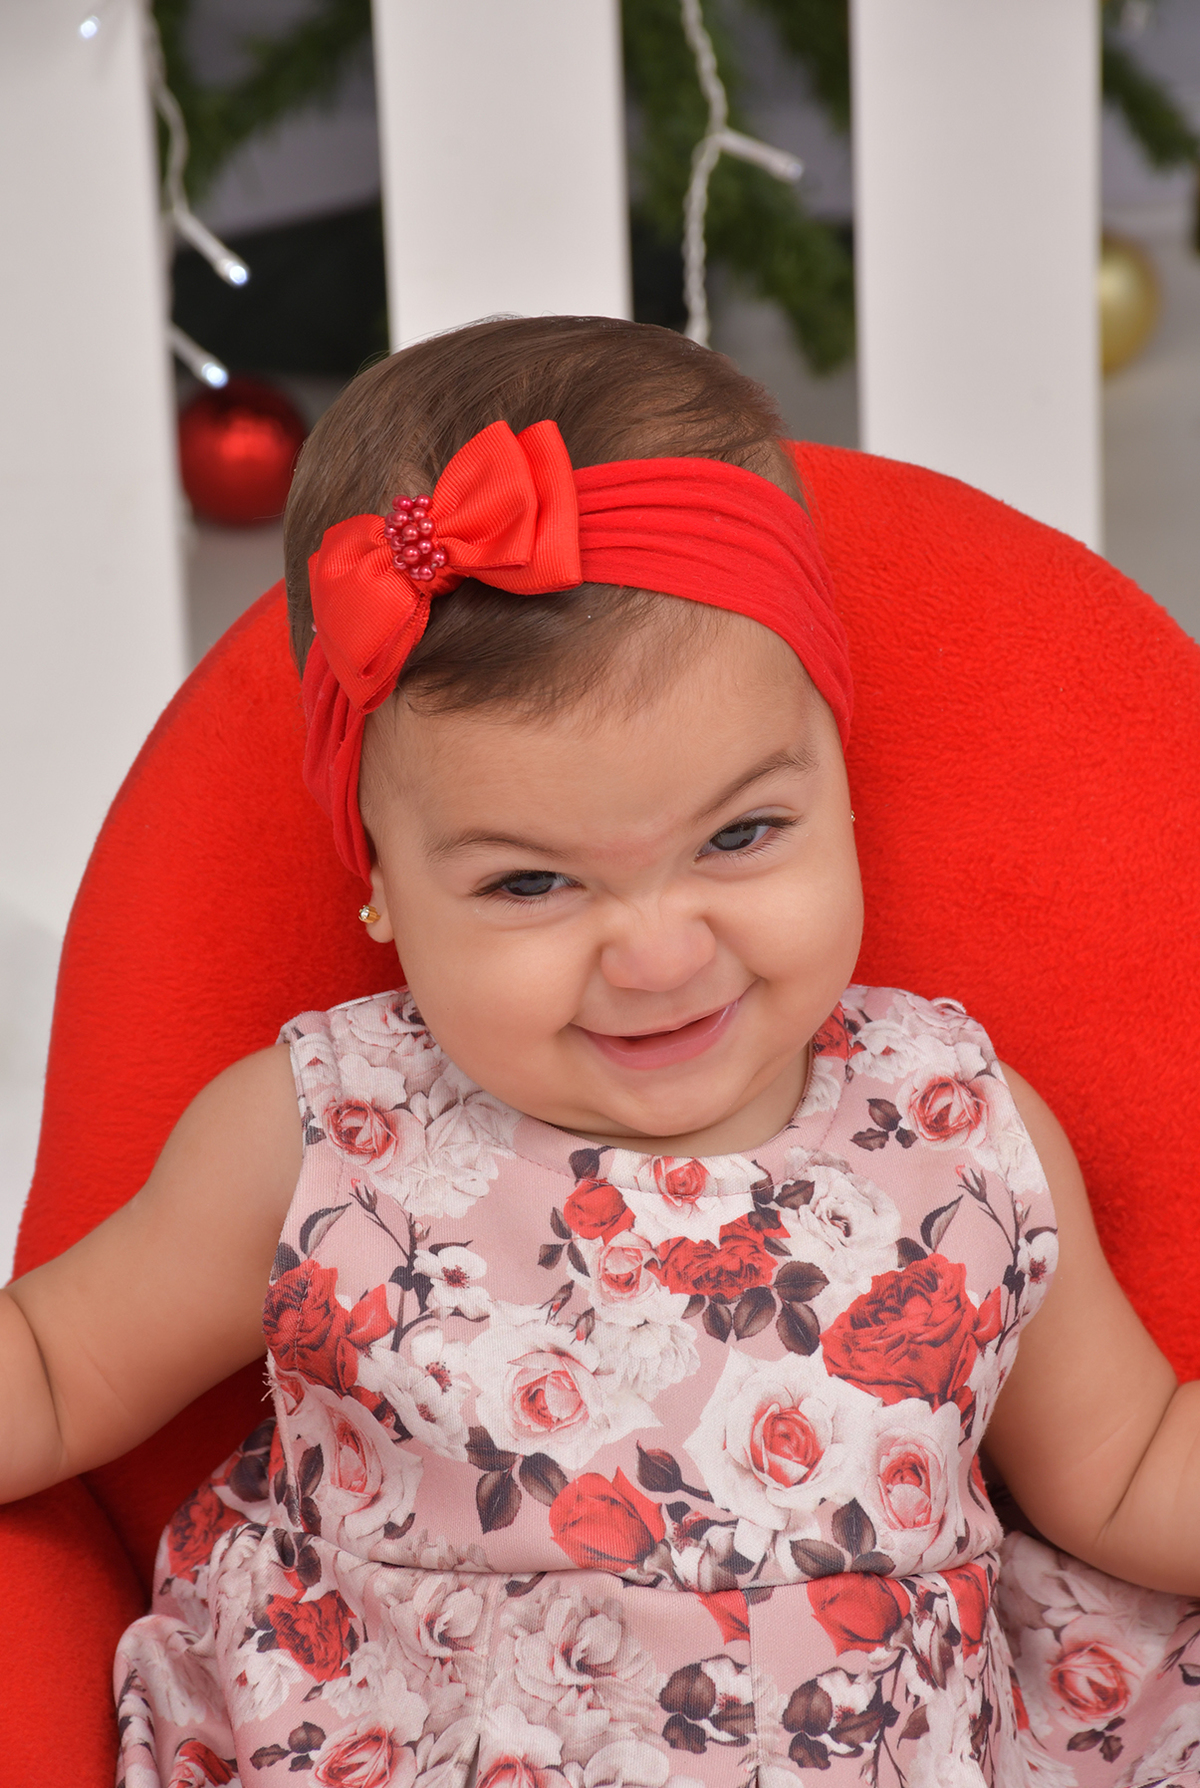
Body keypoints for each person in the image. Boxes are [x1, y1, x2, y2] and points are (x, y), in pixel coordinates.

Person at [3, 316, 1199, 1788]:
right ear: (379, 883)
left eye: (742, 835)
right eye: (529, 883)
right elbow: (54, 1367)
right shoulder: (325, 1134)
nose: (658, 955)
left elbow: (1129, 1468)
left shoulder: (956, 1128)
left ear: (838, 776)